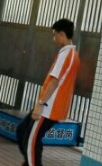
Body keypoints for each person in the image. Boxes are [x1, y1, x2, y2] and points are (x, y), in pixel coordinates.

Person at [16, 18, 80, 166]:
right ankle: (29, 162)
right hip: (48, 105)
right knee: (22, 130)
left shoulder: (67, 55)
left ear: (62, 34)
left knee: (32, 141)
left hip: (49, 107)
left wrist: (40, 104)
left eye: (55, 34)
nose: (54, 38)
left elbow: (54, 81)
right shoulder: (72, 55)